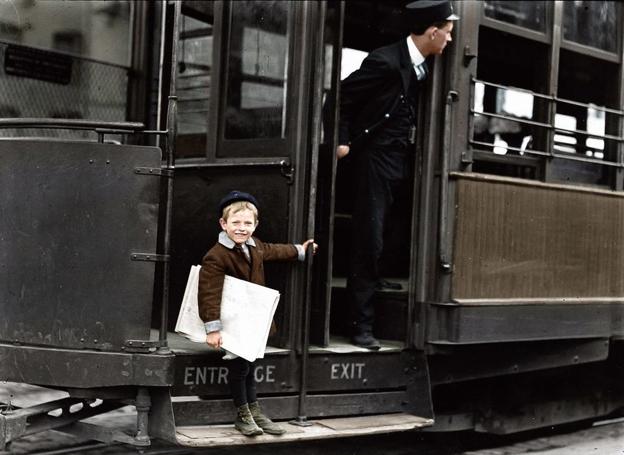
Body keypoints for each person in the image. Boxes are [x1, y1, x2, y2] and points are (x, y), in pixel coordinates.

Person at [336, 1, 458, 350]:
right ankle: (360, 326)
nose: (449, 41)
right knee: (369, 240)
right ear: (432, 31)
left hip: (400, 161)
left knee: (391, 236)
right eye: (447, 33)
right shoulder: (385, 61)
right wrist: (343, 140)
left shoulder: (422, 65)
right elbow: (341, 97)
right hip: (374, 160)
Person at [197, 190, 317, 437]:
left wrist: (299, 250)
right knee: (240, 369)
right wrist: (213, 328)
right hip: (231, 325)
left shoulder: (256, 247)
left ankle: (254, 411)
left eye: (248, 223)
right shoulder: (216, 255)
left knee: (250, 367)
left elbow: (275, 250)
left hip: (250, 323)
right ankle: (243, 415)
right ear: (223, 224)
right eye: (236, 223)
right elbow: (208, 293)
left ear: (255, 225)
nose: (242, 228)